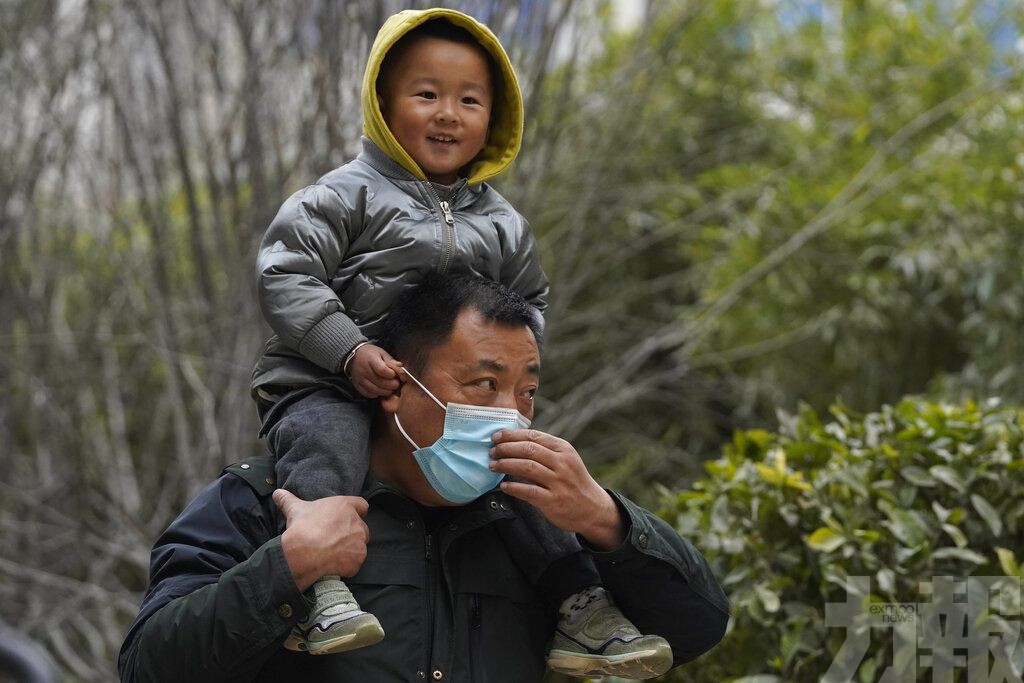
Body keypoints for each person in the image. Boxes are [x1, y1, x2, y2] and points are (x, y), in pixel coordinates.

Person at [250, 6, 665, 675]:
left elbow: (531, 304)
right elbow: (286, 272)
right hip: (327, 377)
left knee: (521, 471)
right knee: (326, 447)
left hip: (442, 399)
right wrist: (348, 350)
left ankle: (579, 606)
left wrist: (511, 380)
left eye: (470, 100)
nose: (448, 114)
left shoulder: (504, 225)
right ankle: (320, 592)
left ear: (494, 118)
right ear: (383, 106)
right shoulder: (342, 196)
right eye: (426, 95)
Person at [118, 274, 730, 682]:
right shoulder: (264, 500)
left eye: (528, 392)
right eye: (483, 385)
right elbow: (147, 665)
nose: (510, 414)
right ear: (393, 382)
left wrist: (607, 520)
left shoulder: (539, 522)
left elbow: (696, 630)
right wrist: (287, 566)